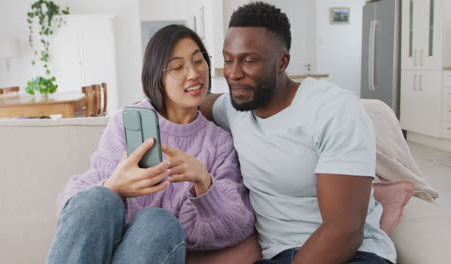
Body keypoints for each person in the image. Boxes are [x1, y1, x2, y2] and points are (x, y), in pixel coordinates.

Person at [200, 2, 396, 264]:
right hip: (279, 255)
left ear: (282, 62)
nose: (233, 74)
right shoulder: (236, 107)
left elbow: (345, 229)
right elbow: (191, 101)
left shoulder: (333, 110)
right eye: (228, 60)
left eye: (249, 60)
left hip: (351, 254)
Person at [46, 24, 255, 264]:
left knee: (158, 222)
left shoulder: (219, 143)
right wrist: (115, 186)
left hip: (156, 248)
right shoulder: (127, 123)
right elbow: (76, 205)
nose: (193, 73)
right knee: (98, 198)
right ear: (157, 76)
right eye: (178, 67)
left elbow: (237, 225)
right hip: (104, 247)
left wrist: (203, 182)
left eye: (198, 61)